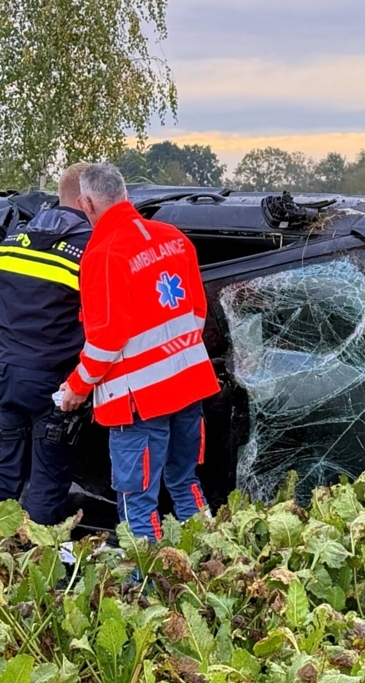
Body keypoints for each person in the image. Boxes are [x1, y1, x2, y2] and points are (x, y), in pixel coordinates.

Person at [59, 163, 220, 542]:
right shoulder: (174, 238)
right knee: (184, 482)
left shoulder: (103, 254)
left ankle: (146, 584)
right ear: (124, 194)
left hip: (140, 403)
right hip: (189, 384)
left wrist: (76, 388)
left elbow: (105, 341)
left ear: (86, 203)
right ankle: (217, 560)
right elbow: (197, 312)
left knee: (137, 500)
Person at [0, 162, 93, 527]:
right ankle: (35, 561)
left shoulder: (12, 242)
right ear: (87, 200)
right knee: (48, 477)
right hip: (52, 383)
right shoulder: (87, 247)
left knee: (7, 467)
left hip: (7, 373)